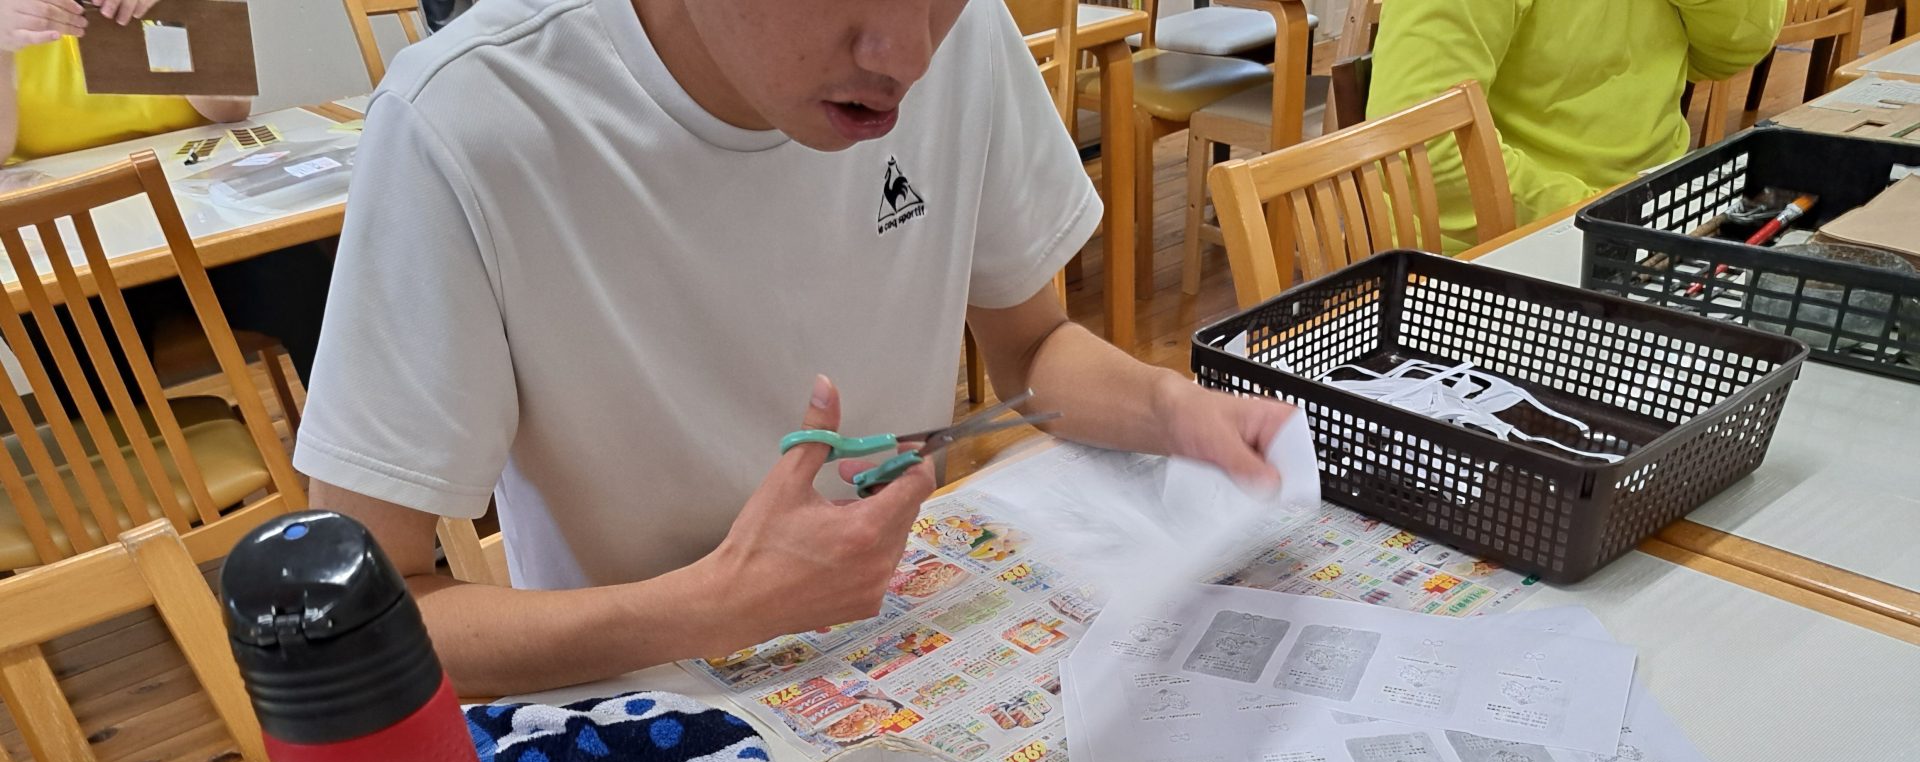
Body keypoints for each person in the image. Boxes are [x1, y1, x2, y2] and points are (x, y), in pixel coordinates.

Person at [295, 0, 1299, 697]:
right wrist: (716, 606)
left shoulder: (964, 40)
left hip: (903, 657)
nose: (905, 53)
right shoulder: (468, 121)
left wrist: (1170, 410)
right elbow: (358, 625)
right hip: (645, 703)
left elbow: (1033, 349)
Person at [0, 0, 332, 381]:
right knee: (63, 337)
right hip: (70, 239)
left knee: (309, 282)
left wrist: (180, 14)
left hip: (200, 217)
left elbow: (230, 110)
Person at [1366, 0, 1787, 251]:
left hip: (1648, 216)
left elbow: (1735, 49)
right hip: (1498, 253)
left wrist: (1630, 218)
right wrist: (1608, 216)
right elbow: (1420, 148)